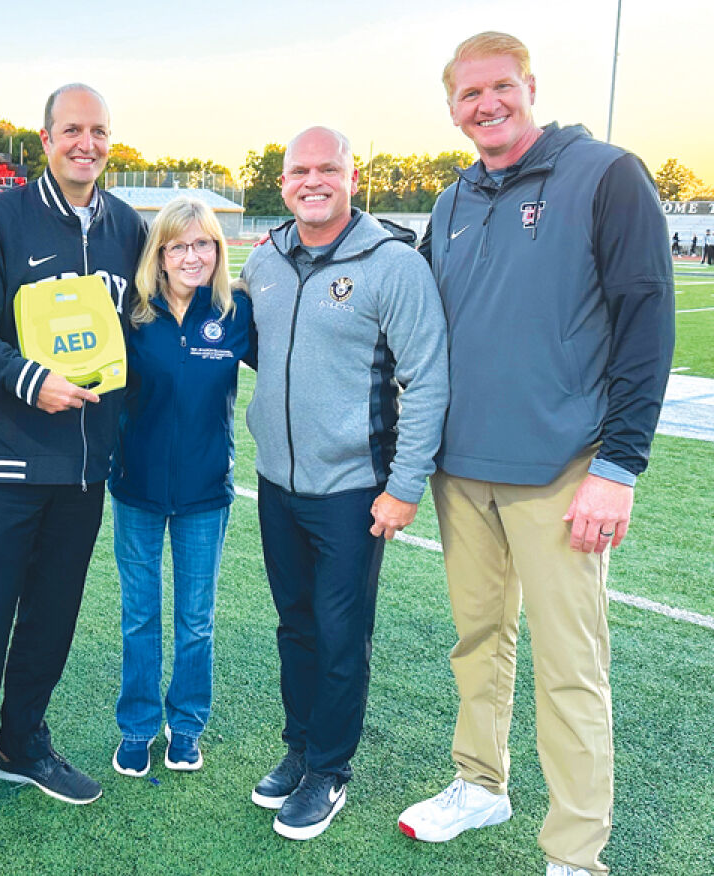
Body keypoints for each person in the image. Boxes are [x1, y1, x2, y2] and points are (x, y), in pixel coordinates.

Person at [396, 33, 674, 876]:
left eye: (501, 87)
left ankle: (575, 853)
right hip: (461, 469)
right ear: (451, 108)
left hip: (562, 471)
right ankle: (480, 783)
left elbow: (647, 322)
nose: (487, 105)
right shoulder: (450, 202)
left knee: (570, 665)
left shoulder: (606, 173)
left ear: (530, 87)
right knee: (477, 639)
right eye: (469, 94)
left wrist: (618, 466)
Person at [0, 83, 146, 857]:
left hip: (85, 470)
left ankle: (23, 745)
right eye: (72, 130)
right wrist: (29, 380)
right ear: (45, 139)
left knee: (51, 621)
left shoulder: (129, 227)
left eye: (99, 131)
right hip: (7, 460)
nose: (86, 143)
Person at [242, 126, 448, 842]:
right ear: (284, 180)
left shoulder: (392, 263)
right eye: (299, 169)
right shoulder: (264, 259)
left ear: (352, 176)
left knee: (339, 633)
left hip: (355, 490)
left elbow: (427, 381)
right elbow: (264, 354)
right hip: (276, 483)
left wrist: (405, 485)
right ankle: (299, 749)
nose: (312, 180)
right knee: (295, 625)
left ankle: (329, 770)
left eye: (327, 167)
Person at [108, 197, 255, 777]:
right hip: (137, 488)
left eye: (203, 244)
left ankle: (186, 725)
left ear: (217, 251)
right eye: (177, 246)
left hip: (204, 491)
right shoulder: (132, 311)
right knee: (139, 614)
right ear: (160, 255)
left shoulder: (235, 311)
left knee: (197, 619)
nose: (191, 256)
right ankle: (138, 727)